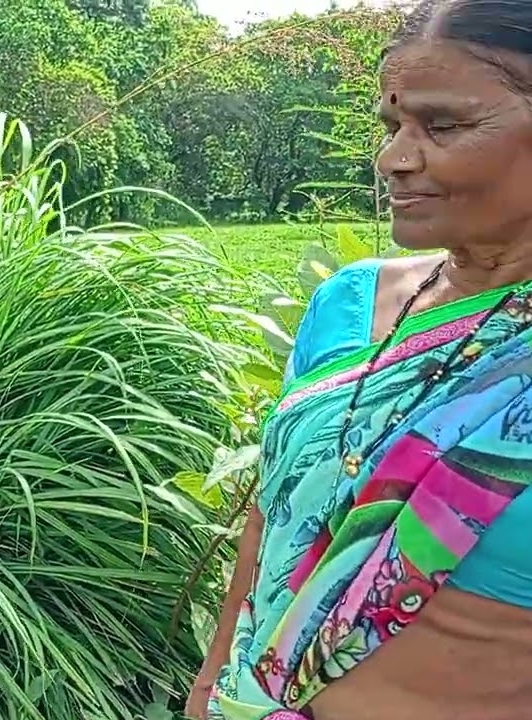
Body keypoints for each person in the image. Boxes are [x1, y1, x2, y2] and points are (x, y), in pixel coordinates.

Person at [186, 2, 532, 719]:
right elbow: (278, 515)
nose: (393, 160)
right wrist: (208, 685)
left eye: (442, 126)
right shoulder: (350, 303)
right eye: (392, 128)